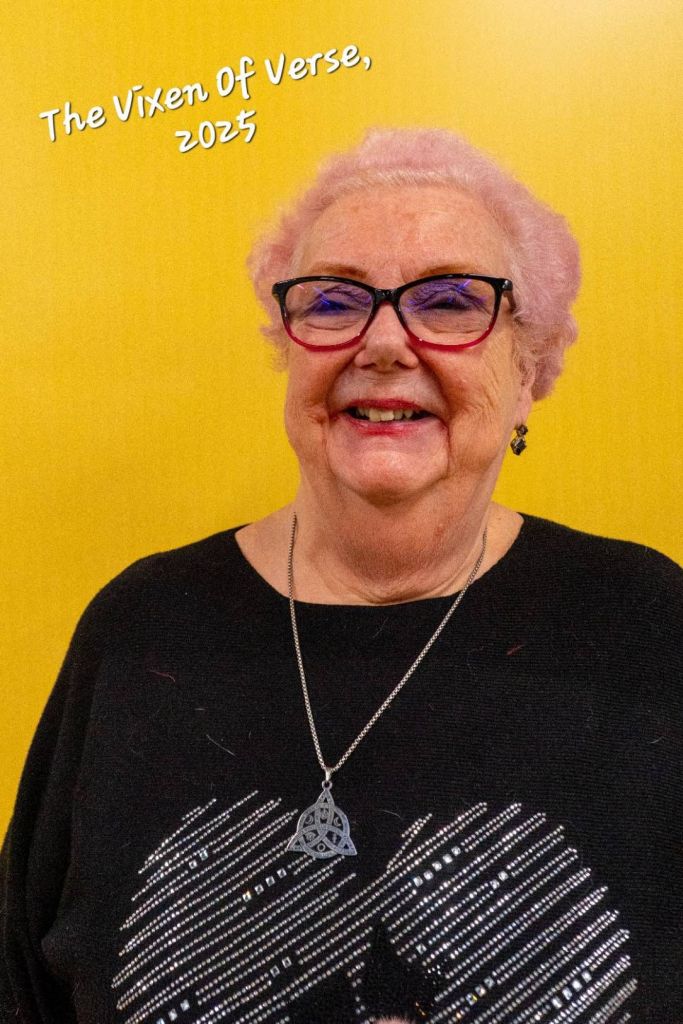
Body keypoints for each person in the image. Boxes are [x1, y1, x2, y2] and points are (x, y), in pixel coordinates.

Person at [1, 128, 681, 1024]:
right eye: (332, 301)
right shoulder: (141, 628)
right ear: (288, 354)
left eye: (449, 301)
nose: (385, 342)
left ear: (529, 372)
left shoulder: (644, 624)